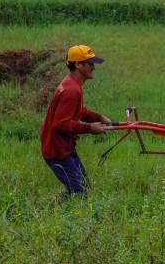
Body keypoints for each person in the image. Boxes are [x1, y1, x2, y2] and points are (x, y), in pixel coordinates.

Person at [40, 45, 111, 197]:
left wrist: (98, 118)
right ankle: (50, 214)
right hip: (57, 151)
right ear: (78, 65)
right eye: (90, 63)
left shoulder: (72, 84)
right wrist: (91, 128)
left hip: (64, 147)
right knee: (79, 193)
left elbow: (78, 111)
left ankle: (55, 205)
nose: (93, 67)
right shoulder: (71, 90)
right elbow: (60, 123)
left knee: (82, 187)